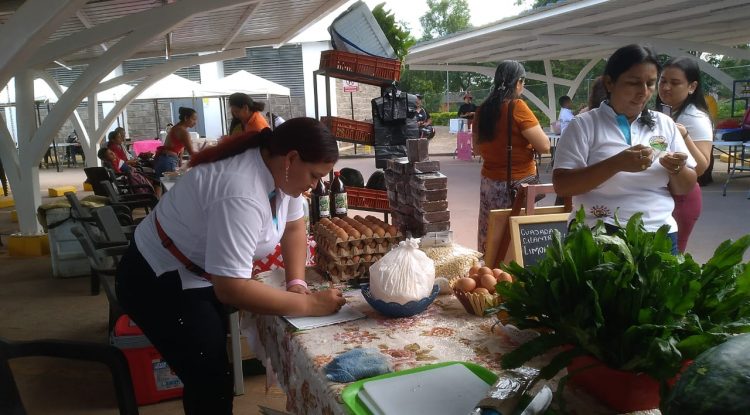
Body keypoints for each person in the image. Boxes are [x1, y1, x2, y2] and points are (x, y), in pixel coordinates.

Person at [115, 117, 346, 414]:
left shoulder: (281, 172)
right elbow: (231, 288)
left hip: (200, 270)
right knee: (209, 380)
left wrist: (297, 284)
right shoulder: (241, 189)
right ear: (292, 158)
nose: (315, 186)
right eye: (314, 176)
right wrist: (309, 306)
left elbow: (293, 228)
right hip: (158, 277)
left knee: (213, 367)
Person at [553, 44, 697, 255]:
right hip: (597, 234)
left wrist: (678, 169)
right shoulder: (583, 125)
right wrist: (616, 164)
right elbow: (563, 185)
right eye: (634, 83)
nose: (643, 92)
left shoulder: (664, 124)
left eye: (650, 84)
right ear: (610, 83)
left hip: (658, 234)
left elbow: (685, 187)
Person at [472, 60, 551, 253]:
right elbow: (545, 146)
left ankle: (488, 269)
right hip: (516, 185)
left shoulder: (482, 109)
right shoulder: (517, 107)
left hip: (489, 184)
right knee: (515, 235)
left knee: (490, 231)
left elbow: (477, 149)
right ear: (518, 82)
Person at [656, 56, 713, 253]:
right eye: (663, 81)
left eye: (675, 82)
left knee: (670, 260)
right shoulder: (664, 112)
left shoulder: (694, 118)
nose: (666, 87)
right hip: (662, 193)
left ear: (691, 86)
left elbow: (701, 166)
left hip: (682, 197)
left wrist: (684, 135)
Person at [153, 107, 198, 178]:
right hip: (168, 161)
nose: (195, 122)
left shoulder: (176, 128)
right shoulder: (183, 131)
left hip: (163, 159)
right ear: (186, 118)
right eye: (193, 119)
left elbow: (181, 147)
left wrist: (180, 162)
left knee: (162, 186)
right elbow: (191, 152)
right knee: (170, 187)